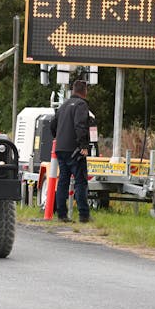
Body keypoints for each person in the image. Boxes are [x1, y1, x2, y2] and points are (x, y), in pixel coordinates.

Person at [50, 79, 91, 223]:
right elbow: (80, 125)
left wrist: (58, 136)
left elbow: (52, 124)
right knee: (80, 182)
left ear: (73, 90)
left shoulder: (63, 105)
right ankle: (84, 215)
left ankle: (61, 214)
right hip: (74, 149)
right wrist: (84, 146)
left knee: (63, 181)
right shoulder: (81, 105)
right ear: (84, 91)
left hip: (60, 148)